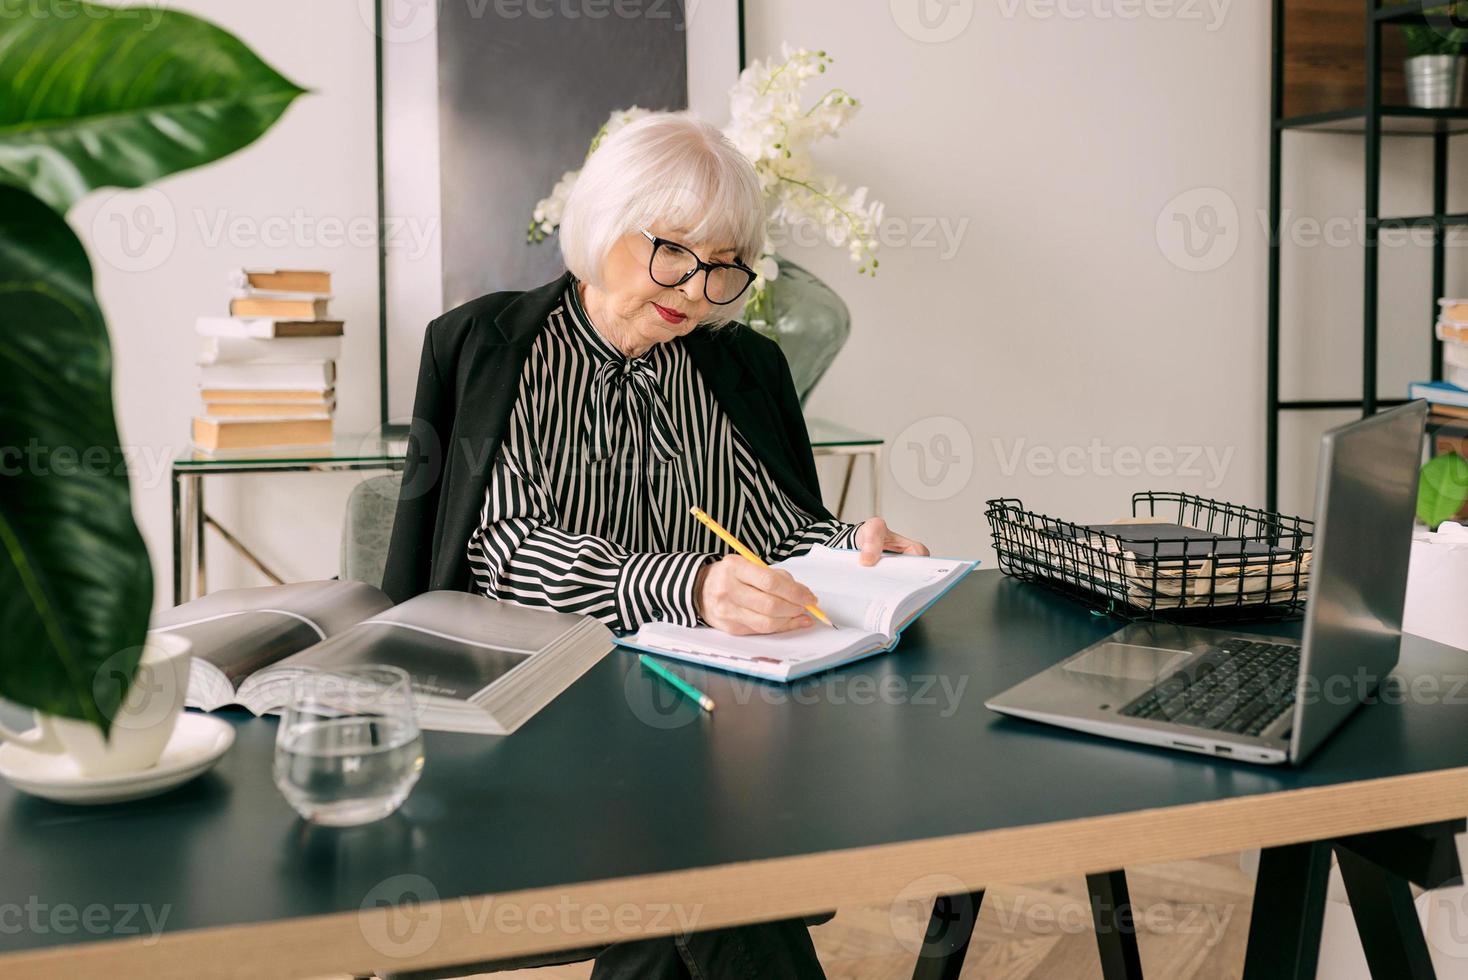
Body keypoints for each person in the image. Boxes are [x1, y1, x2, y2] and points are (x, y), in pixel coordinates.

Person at [381, 111, 928, 979]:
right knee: (709, 855)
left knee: (691, 857)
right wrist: (695, 585)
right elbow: (506, 554)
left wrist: (851, 545)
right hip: (548, 699)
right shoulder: (493, 348)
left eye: (723, 268)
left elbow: (778, 524)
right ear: (606, 222)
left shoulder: (736, 362)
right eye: (673, 250)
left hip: (713, 706)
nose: (696, 288)